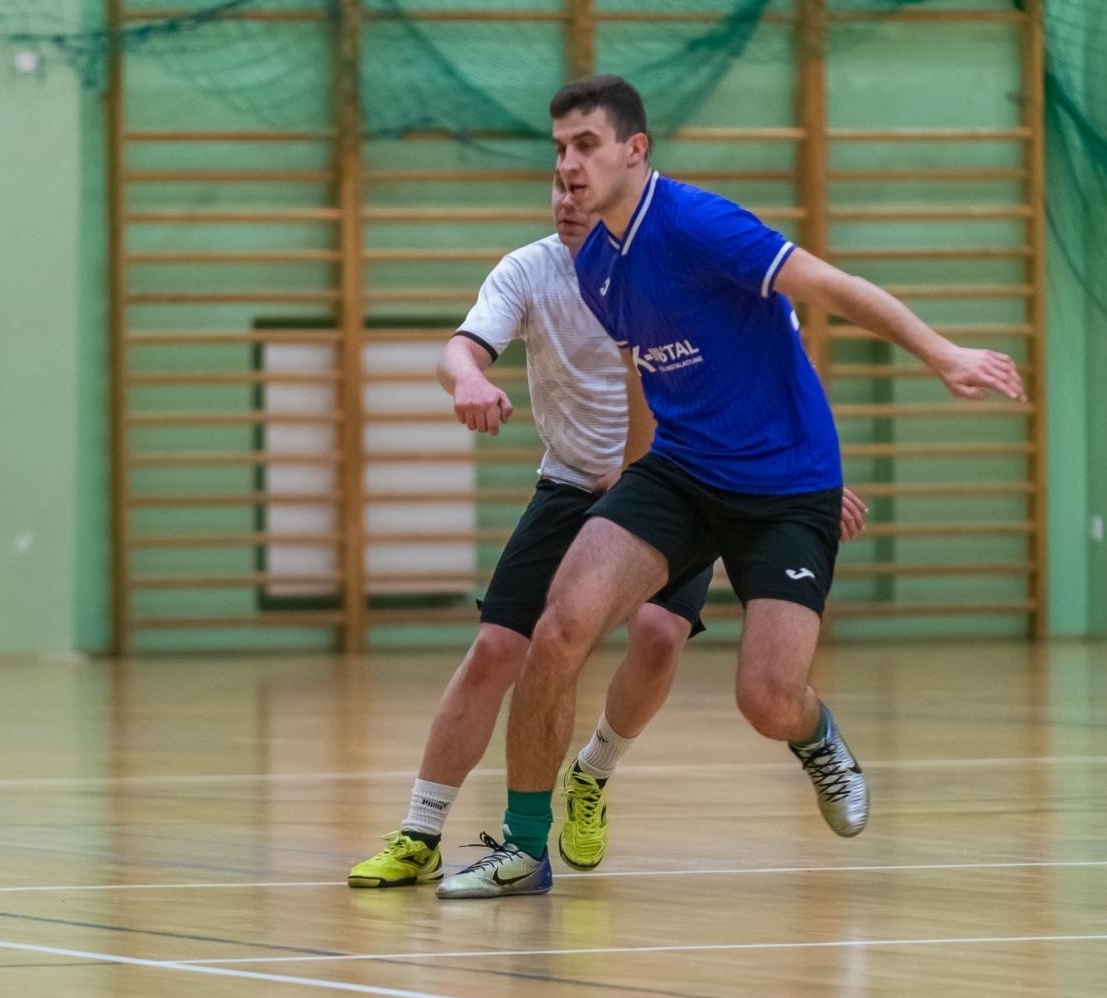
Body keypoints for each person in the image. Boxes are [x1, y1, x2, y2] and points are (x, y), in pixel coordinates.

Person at [435, 75, 1024, 899]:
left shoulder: (699, 224)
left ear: (634, 151)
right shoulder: (599, 267)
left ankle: (817, 736)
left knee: (767, 698)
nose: (567, 165)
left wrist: (943, 354)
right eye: (560, 149)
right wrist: (630, 482)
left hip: (786, 486)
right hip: (680, 472)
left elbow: (832, 289)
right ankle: (524, 849)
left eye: (587, 146)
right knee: (560, 624)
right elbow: (652, 375)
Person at [348, 175, 869, 891]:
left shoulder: (674, 261)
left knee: (658, 642)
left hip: (679, 484)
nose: (566, 199)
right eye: (556, 185)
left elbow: (776, 365)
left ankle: (591, 772)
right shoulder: (529, 269)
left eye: (581, 184)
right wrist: (466, 381)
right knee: (498, 649)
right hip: (571, 488)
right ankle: (421, 829)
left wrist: (810, 470)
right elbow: (460, 349)